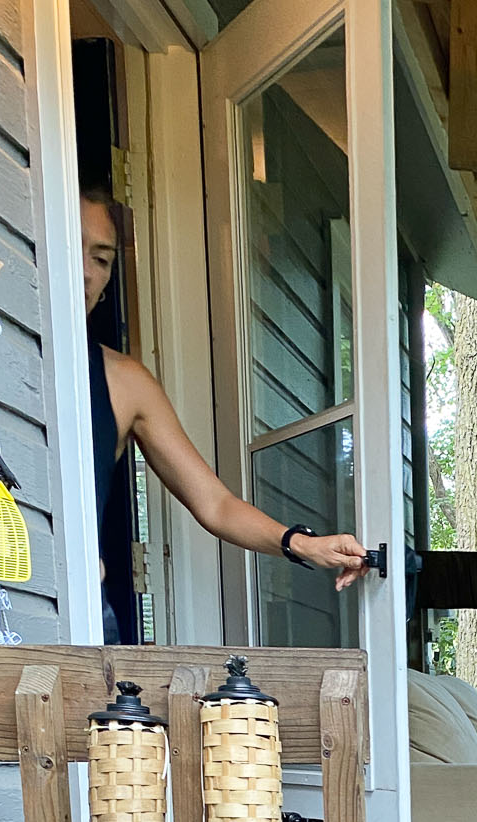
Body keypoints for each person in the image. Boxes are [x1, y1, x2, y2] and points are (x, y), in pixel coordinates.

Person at [80, 187, 369, 640]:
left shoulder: (124, 381)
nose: (85, 271)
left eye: (101, 259)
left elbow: (216, 504)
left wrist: (303, 544)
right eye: (73, 246)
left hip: (86, 618)